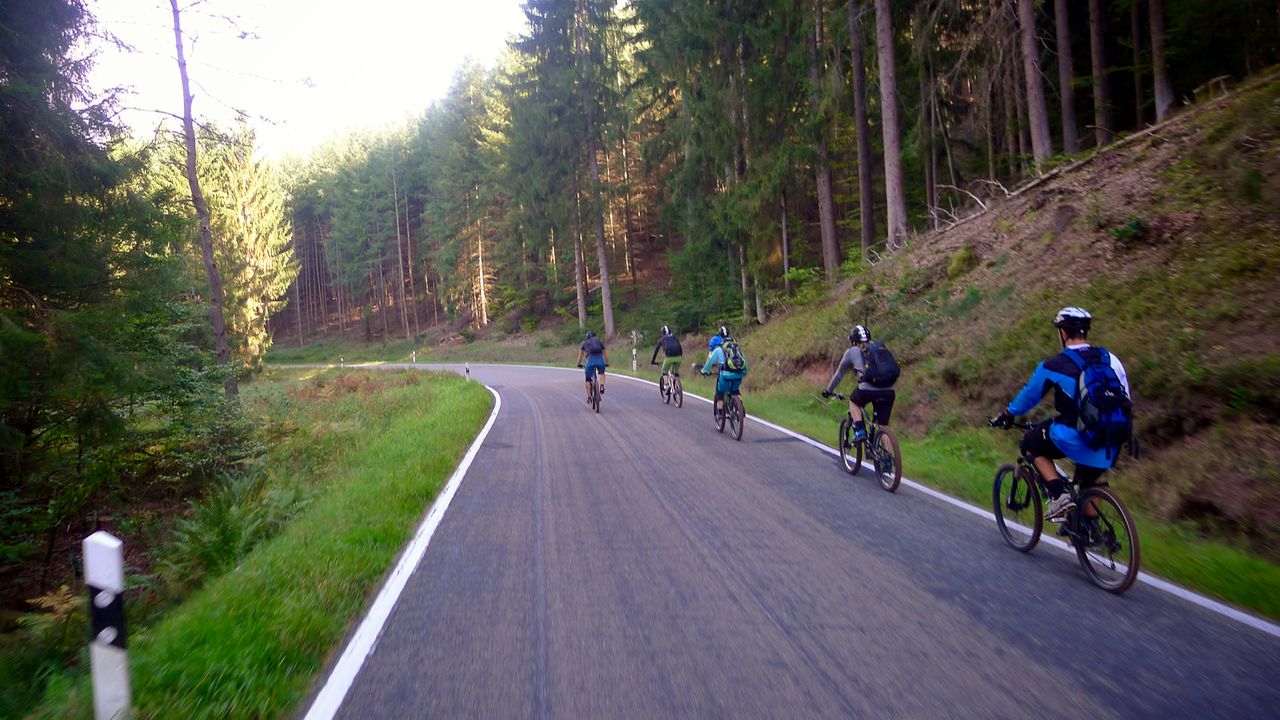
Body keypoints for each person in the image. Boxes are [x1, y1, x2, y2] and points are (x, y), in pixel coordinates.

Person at [990, 307, 1131, 520]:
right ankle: (1091, 533)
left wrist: (1007, 414)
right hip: (1112, 439)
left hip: (1076, 437)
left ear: (1063, 332)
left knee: (1030, 443)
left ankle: (1059, 497)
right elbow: (1125, 397)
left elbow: (1029, 396)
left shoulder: (1053, 365)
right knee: (1090, 481)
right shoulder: (1110, 359)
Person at [822, 324, 896, 444]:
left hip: (867, 389)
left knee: (853, 401)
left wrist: (829, 390)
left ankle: (860, 431)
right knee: (883, 426)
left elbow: (839, 374)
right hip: (889, 390)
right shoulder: (880, 347)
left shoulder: (852, 351)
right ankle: (887, 458)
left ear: (853, 341)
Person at [700, 326, 747, 419]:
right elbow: (744, 361)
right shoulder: (736, 347)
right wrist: (744, 371)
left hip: (725, 375)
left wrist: (704, 371)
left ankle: (721, 413)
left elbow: (710, 362)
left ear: (720, 336)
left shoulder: (718, 349)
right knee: (735, 391)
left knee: (720, 392)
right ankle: (740, 406)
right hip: (738, 374)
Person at [576, 330, 609, 403]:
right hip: (600, 360)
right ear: (595, 336)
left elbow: (581, 355)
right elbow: (604, 354)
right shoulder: (599, 342)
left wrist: (579, 363)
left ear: (587, 337)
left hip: (590, 360)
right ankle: (602, 385)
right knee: (602, 373)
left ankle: (589, 397)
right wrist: (607, 363)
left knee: (588, 379)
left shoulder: (584, 343)